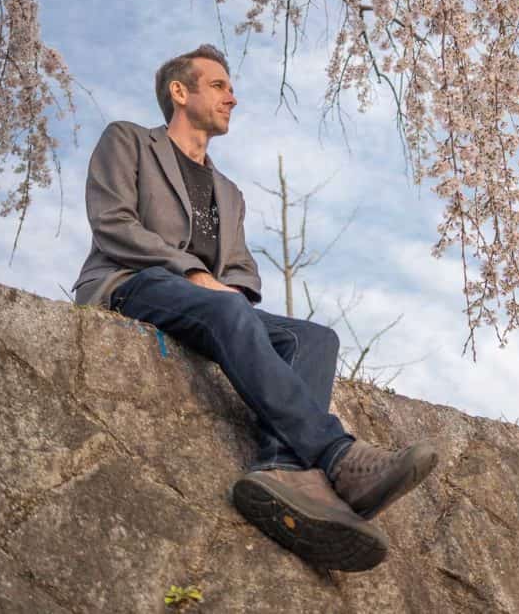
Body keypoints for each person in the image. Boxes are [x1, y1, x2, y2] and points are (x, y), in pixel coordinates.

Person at [71, 44, 437, 572]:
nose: (232, 98)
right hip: (132, 280)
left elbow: (239, 269)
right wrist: (194, 274)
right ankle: (337, 456)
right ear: (180, 91)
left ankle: (281, 468)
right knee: (229, 312)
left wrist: (229, 294)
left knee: (315, 339)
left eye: (230, 88)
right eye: (219, 86)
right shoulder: (128, 141)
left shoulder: (229, 191)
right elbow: (113, 222)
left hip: (211, 303)